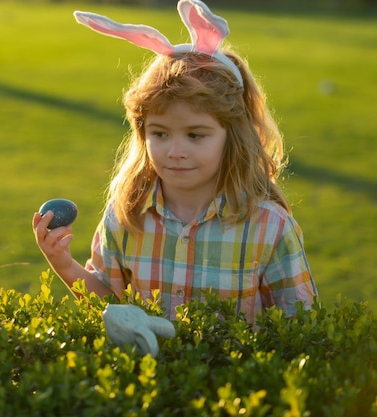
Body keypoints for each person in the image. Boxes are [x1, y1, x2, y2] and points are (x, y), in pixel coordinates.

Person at [32, 0, 317, 323]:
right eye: (160, 133)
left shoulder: (269, 227)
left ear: (232, 136)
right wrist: (65, 265)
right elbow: (112, 305)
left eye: (195, 135)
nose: (175, 151)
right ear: (143, 133)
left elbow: (300, 326)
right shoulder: (127, 215)